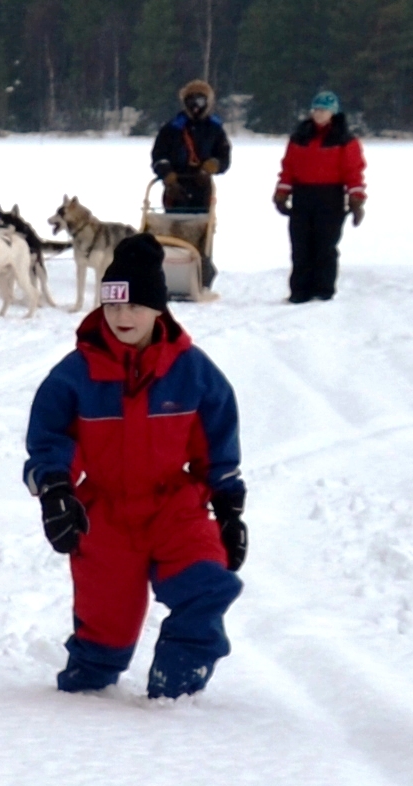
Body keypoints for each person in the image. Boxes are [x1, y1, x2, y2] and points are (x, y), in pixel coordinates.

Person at [25, 232, 247, 699]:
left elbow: (216, 443)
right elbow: (51, 441)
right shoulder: (75, 375)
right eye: (113, 305)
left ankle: (175, 693)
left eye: (135, 305)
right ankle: (78, 705)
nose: (123, 316)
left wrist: (228, 506)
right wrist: (56, 492)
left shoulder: (193, 372)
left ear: (159, 308)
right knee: (103, 640)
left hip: (174, 507)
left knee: (208, 586)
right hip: (104, 516)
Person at [274, 91, 366, 303]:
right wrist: (282, 193)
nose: (318, 114)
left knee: (325, 246)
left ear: (333, 113)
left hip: (330, 197)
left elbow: (353, 172)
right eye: (315, 109)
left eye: (323, 110)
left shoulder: (345, 140)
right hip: (303, 196)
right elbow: (289, 167)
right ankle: (300, 290)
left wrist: (356, 200)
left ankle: (323, 289)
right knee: (300, 246)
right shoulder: (300, 136)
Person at [148, 79, 233, 292]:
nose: (196, 104)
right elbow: (158, 155)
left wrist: (213, 165)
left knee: (202, 232)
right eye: (191, 99)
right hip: (175, 186)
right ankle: (168, 276)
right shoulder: (172, 128)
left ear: (208, 102)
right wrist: (167, 174)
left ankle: (200, 277)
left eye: (201, 99)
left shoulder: (215, 128)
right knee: (171, 231)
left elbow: (224, 157)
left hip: (202, 186)